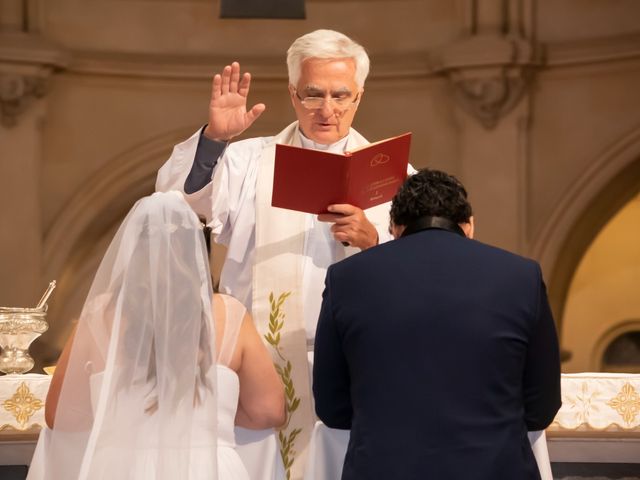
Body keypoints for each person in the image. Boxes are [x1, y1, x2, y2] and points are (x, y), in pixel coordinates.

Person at [156, 29, 413, 477]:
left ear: (359, 96)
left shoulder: (393, 173)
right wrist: (215, 140)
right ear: (293, 94)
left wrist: (376, 243)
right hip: (262, 361)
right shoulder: (249, 161)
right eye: (313, 94)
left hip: (359, 360)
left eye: (340, 95)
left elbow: (424, 269)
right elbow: (179, 204)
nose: (326, 109)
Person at [313, 169, 562, 480]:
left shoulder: (346, 279)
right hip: (494, 468)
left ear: (394, 227)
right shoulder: (521, 276)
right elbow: (542, 407)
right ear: (469, 225)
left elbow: (331, 406)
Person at [29, 191, 284, 480]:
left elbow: (60, 415)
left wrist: (118, 415)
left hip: (120, 469)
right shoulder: (231, 314)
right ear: (195, 252)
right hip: (207, 469)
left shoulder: (98, 317)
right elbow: (269, 411)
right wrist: (213, 419)